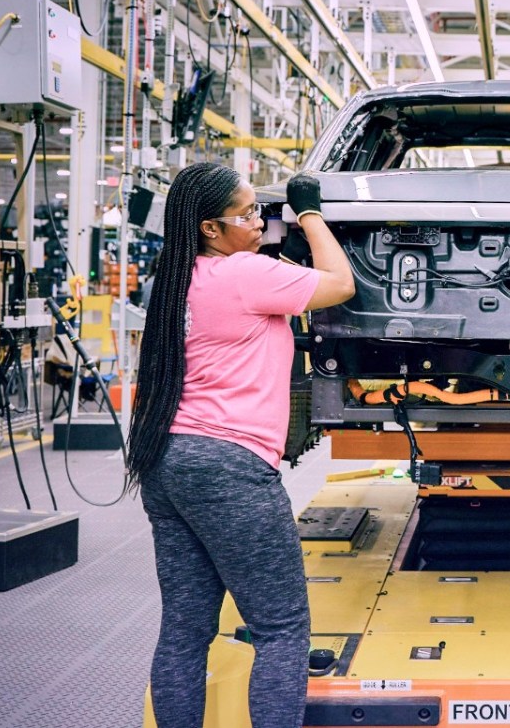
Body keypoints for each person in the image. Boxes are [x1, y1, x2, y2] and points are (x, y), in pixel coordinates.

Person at [126, 162, 356, 728]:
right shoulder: (246, 274)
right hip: (229, 467)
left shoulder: (178, 278)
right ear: (209, 227)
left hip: (169, 460)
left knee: (185, 629)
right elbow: (342, 284)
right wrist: (309, 213)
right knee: (281, 628)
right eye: (248, 213)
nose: (260, 220)